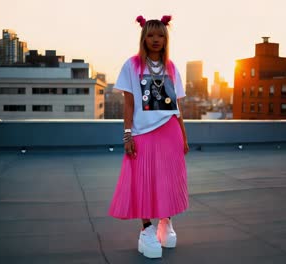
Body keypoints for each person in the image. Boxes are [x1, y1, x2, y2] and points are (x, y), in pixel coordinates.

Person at [108, 15, 189, 259]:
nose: (156, 40)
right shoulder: (132, 65)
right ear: (144, 38)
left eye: (161, 35)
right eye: (151, 35)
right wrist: (127, 134)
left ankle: (165, 222)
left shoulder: (171, 67)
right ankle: (146, 229)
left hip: (170, 130)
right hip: (143, 133)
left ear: (166, 39)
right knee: (144, 179)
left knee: (168, 178)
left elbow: (176, 105)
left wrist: (184, 135)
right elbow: (129, 104)